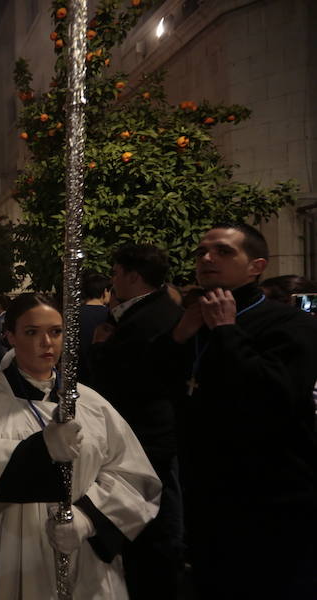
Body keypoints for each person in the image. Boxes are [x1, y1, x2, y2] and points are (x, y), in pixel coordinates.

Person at [0, 293, 161, 600]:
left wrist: (88, 519)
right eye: (32, 332)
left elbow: (134, 476)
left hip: (82, 556)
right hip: (12, 550)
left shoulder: (92, 405)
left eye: (56, 332)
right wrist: (38, 450)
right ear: (10, 336)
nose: (47, 342)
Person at [156, 223, 317, 598]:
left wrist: (227, 330)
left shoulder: (290, 324)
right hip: (208, 493)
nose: (207, 258)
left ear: (256, 266)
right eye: (201, 252)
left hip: (272, 498)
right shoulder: (192, 320)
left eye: (224, 251)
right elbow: (155, 385)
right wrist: (178, 336)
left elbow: (273, 394)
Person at [88, 244, 184, 600]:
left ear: (133, 275)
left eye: (115, 273)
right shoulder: (149, 311)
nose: (112, 282)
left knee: (153, 532)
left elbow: (126, 375)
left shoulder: (150, 317)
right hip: (143, 433)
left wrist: (100, 349)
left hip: (146, 436)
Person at [78, 272, 110, 385]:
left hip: (77, 377)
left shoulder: (74, 315)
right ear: (105, 292)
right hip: (100, 377)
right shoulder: (110, 316)